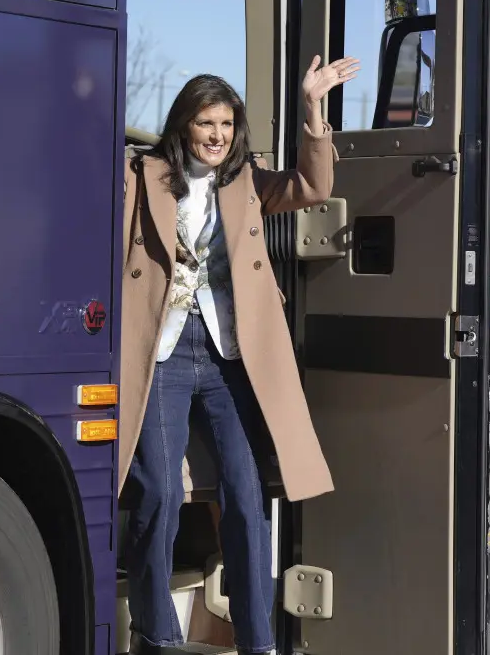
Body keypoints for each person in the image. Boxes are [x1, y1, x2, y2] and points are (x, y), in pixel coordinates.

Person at [118, 54, 360, 655]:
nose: (218, 136)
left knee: (248, 499)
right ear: (183, 128)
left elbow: (313, 186)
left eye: (227, 125)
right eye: (207, 124)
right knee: (158, 492)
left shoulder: (246, 181)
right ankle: (156, 633)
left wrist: (312, 109)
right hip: (163, 353)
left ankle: (260, 642)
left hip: (230, 356)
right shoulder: (139, 175)